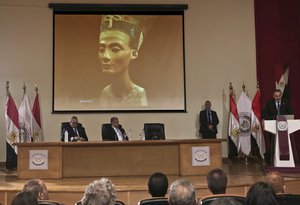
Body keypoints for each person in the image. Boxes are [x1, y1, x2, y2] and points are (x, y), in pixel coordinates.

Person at [98, 15, 154, 107]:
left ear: (134, 53)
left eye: (115, 49)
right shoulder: (105, 93)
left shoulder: (139, 94)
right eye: (101, 49)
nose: (105, 56)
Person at [262, 89, 293, 164]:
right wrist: (264, 120)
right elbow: (264, 114)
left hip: (284, 127)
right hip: (272, 126)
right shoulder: (269, 103)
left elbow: (291, 113)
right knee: (274, 144)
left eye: (279, 96)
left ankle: (285, 160)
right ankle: (273, 160)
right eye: (276, 96)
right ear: (273, 96)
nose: (278, 98)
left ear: (281, 95)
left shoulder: (285, 102)